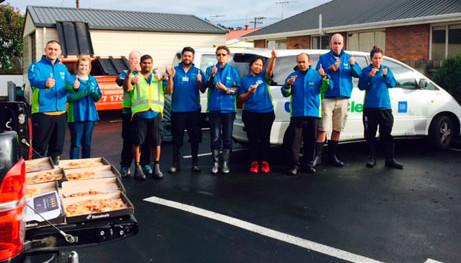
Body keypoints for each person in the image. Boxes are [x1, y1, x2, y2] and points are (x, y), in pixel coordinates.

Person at [28, 40, 79, 164]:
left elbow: (70, 84)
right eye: (50, 49)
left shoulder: (62, 68)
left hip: (61, 114)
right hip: (42, 113)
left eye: (56, 49)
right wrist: (44, 84)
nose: (53, 51)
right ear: (45, 50)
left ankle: (54, 174)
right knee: (39, 149)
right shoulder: (36, 66)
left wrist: (75, 87)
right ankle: (37, 176)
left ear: (60, 52)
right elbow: (33, 80)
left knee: (57, 148)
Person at [314, 33, 361, 168]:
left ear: (343, 44)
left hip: (343, 98)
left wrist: (353, 65)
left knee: (337, 128)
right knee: (323, 128)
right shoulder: (324, 58)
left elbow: (359, 74)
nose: (337, 46)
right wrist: (331, 69)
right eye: (335, 43)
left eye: (339, 43)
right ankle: (317, 157)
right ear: (331, 44)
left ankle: (332, 156)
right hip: (328, 98)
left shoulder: (348, 58)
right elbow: (318, 75)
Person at [282, 53, 330, 175]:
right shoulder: (293, 76)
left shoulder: (317, 75)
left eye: (304, 62)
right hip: (297, 114)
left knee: (311, 141)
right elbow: (285, 93)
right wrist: (288, 85)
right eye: (299, 62)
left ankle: (307, 164)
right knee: (294, 142)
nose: (302, 64)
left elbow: (326, 89)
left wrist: (324, 77)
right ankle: (293, 166)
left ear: (309, 62)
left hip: (313, 113)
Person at [358, 46, 403, 169]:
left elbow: (393, 84)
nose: (377, 60)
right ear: (371, 59)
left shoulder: (386, 70)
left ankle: (390, 159)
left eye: (379, 58)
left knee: (386, 134)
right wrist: (370, 77)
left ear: (382, 59)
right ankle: (372, 158)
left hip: (384, 108)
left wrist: (386, 76)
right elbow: (361, 86)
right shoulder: (366, 71)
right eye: (375, 58)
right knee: (370, 134)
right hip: (370, 108)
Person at [165, 47, 206, 173]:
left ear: (193, 58)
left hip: (193, 110)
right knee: (177, 139)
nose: (187, 58)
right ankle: (176, 164)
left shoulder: (198, 71)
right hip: (178, 110)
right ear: (182, 57)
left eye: (189, 56)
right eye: (185, 56)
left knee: (194, 138)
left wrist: (200, 81)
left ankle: (195, 163)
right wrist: (171, 77)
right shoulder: (175, 71)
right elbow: (169, 91)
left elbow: (203, 89)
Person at [125, 54, 165, 180]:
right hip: (139, 114)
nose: (147, 65)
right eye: (144, 63)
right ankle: (137, 168)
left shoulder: (157, 77)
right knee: (137, 142)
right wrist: (129, 76)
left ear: (152, 64)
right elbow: (127, 89)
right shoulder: (135, 77)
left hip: (155, 113)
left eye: (149, 63)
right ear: (141, 64)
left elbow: (170, 90)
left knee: (156, 141)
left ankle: (156, 167)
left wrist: (168, 77)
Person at [238, 48, 277, 173]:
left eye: (260, 65)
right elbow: (240, 98)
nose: (258, 67)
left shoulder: (263, 77)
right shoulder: (244, 80)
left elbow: (270, 70)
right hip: (250, 113)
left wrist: (273, 58)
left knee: (265, 138)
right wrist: (249, 93)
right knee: (253, 139)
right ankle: (254, 162)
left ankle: (265, 162)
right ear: (251, 66)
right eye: (256, 64)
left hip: (266, 113)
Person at [116, 50, 152, 178]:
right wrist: (131, 80)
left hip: (143, 112)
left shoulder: (146, 74)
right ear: (128, 60)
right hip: (128, 112)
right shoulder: (125, 73)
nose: (134, 61)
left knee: (145, 139)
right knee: (128, 140)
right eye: (132, 59)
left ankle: (145, 164)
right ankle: (125, 166)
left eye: (137, 59)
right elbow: (119, 81)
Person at [205, 46, 241, 174]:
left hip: (228, 109)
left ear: (228, 56)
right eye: (218, 54)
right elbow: (206, 86)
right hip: (214, 108)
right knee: (215, 136)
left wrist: (226, 89)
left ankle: (225, 162)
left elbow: (237, 90)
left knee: (227, 136)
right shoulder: (210, 69)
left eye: (223, 54)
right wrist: (213, 75)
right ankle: (215, 163)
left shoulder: (233, 71)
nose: (221, 57)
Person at [67, 55, 102, 159]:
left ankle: (85, 166)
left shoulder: (93, 80)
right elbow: (70, 98)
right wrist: (87, 90)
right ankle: (73, 167)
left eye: (86, 65)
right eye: (81, 65)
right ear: (77, 66)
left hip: (90, 116)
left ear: (89, 67)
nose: (83, 67)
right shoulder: (72, 79)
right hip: (76, 116)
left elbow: (98, 97)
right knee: (76, 144)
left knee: (87, 144)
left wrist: (94, 93)